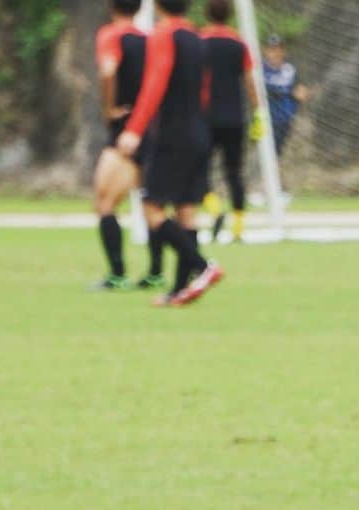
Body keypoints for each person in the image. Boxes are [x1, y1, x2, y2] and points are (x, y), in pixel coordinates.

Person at [117, 0, 223, 307]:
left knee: (151, 207)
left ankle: (203, 266)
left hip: (172, 134)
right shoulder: (196, 37)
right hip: (198, 131)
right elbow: (204, 91)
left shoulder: (163, 34)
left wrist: (134, 129)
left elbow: (155, 83)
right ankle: (180, 289)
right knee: (186, 211)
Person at [91, 0, 165, 290]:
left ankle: (117, 273)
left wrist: (108, 108)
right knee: (152, 202)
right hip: (152, 127)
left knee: (105, 202)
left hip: (125, 129)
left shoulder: (110, 35)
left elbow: (108, 71)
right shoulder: (149, 40)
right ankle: (156, 272)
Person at [200, 0, 261, 243]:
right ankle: (238, 228)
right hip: (234, 117)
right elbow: (249, 80)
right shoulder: (239, 43)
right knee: (234, 172)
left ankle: (215, 209)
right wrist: (258, 112)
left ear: (207, 14)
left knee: (199, 169)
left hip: (205, 117)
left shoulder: (200, 41)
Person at [261, 34, 309, 157]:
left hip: (284, 122)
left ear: (284, 52)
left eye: (279, 49)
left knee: (277, 154)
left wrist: (300, 95)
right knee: (265, 155)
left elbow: (301, 91)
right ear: (265, 51)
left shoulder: (290, 70)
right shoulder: (259, 70)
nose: (276, 53)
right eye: (272, 49)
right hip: (264, 121)